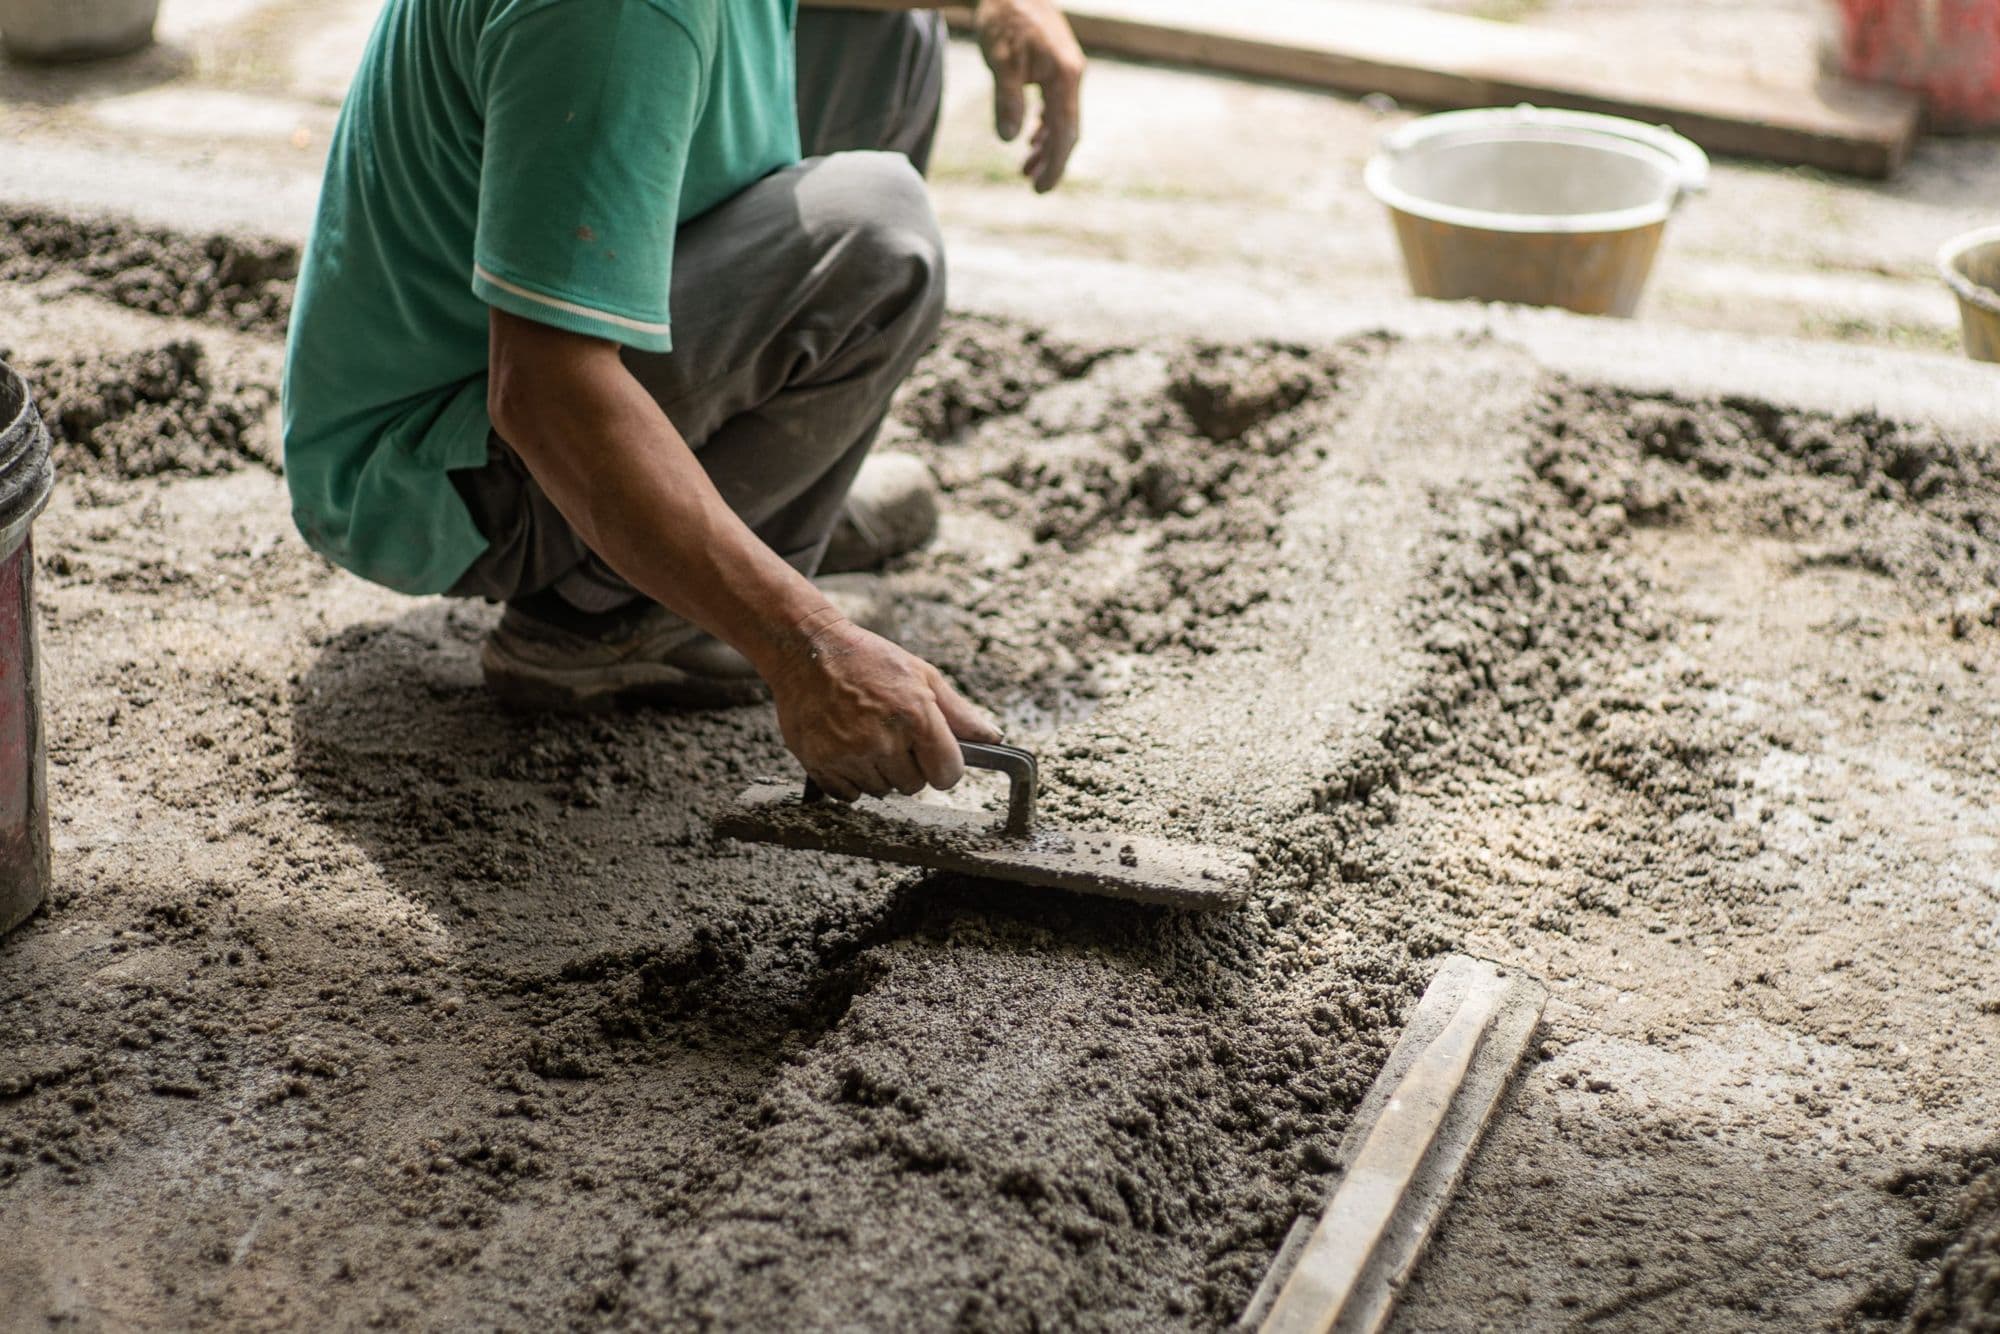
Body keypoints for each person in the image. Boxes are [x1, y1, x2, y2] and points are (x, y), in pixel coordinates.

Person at [281, 1, 1085, 803]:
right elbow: (542, 393)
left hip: (530, 370)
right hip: (450, 466)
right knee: (877, 234)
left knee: (891, 34)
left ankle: (751, 509)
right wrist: (806, 644)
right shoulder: (620, 17)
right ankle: (599, 614)